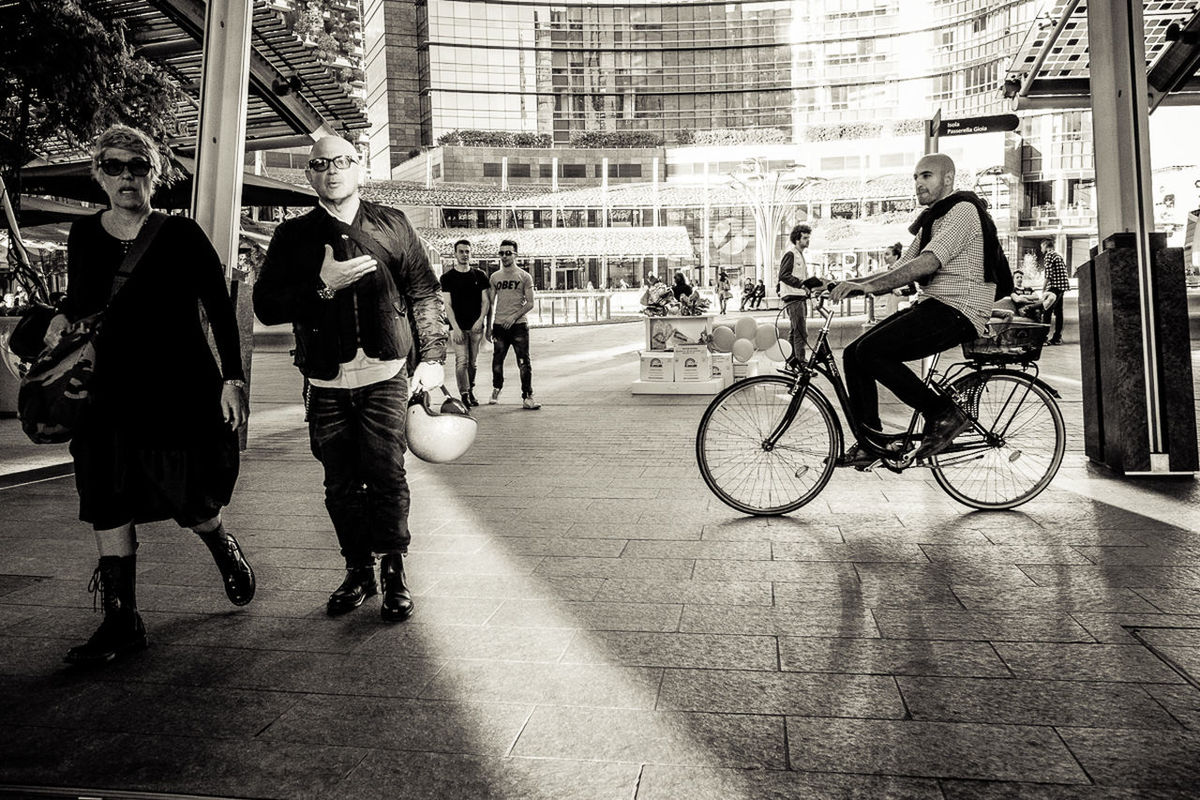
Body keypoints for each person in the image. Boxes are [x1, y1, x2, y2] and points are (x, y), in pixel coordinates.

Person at [42, 124, 252, 666]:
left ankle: (219, 542)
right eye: (114, 166)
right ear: (99, 175)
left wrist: (233, 378)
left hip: (177, 390)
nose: (127, 177)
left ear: (155, 175)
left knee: (192, 499)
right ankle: (121, 621)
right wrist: (63, 315)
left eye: (138, 166)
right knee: (105, 496)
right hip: (106, 393)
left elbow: (220, 308)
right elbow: (82, 296)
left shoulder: (181, 236)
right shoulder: (84, 234)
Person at [253, 134, 447, 622]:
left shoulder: (392, 224)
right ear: (310, 175)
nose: (332, 170)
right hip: (325, 381)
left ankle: (394, 570)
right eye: (321, 164)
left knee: (386, 473)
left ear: (360, 168)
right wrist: (322, 287)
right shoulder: (292, 237)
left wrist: (434, 358)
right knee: (339, 482)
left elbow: (423, 292)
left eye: (342, 162)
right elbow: (266, 305)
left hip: (386, 374)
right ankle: (358, 569)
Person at [830, 153, 999, 464]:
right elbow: (902, 266)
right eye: (916, 178)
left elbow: (928, 262)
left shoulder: (963, 211)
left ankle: (944, 413)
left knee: (872, 352)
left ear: (948, 178)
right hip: (936, 305)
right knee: (853, 353)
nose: (919, 183)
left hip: (960, 308)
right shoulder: (932, 219)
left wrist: (867, 287)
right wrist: (848, 283)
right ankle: (871, 442)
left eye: (926, 176)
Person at [486, 239, 540, 409]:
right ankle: (497, 387)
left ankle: (527, 395)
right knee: (497, 360)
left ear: (516, 254)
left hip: (518, 326)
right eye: (501, 253)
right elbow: (490, 303)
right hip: (500, 326)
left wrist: (513, 317)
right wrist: (489, 326)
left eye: (508, 253)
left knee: (523, 362)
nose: (504, 256)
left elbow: (530, 303)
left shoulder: (524, 276)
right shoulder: (495, 277)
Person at [440, 238, 490, 407]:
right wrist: (455, 328)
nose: (464, 254)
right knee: (461, 361)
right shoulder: (447, 278)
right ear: (455, 254)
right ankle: (465, 394)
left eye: (467, 251)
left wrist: (480, 320)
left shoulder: (480, 275)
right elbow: (447, 304)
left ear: (471, 253)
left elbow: (486, 301)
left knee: (472, 363)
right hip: (457, 328)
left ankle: (471, 389)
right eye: (461, 251)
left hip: (476, 328)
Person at [778, 224, 813, 368]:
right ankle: (800, 362)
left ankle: (792, 361)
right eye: (805, 238)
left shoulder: (800, 255)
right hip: (794, 297)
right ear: (797, 239)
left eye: (808, 238)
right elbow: (783, 275)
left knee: (795, 331)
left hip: (799, 296)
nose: (807, 241)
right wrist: (801, 284)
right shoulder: (791, 254)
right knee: (800, 331)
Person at [1041, 238, 1070, 344]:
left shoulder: (1049, 255)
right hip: (1062, 287)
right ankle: (1057, 337)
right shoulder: (1057, 255)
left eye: (1041, 247)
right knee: (1059, 312)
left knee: (1047, 311)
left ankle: (1043, 337)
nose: (1041, 249)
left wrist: (1043, 289)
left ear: (1045, 245)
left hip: (1054, 287)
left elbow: (1048, 275)